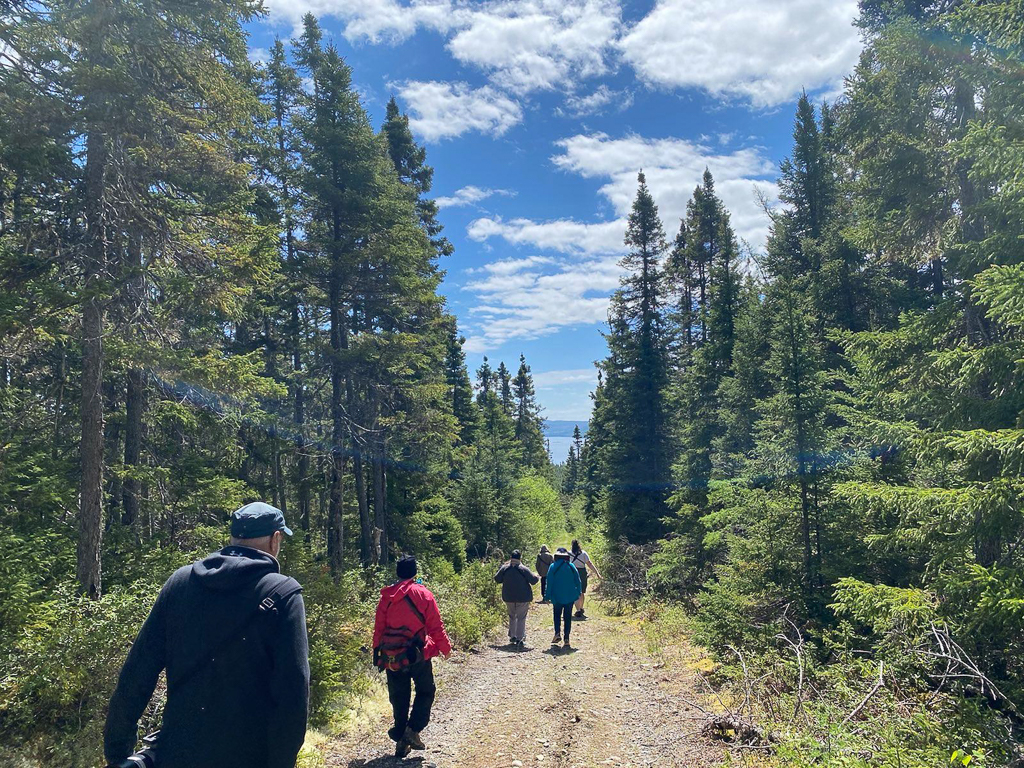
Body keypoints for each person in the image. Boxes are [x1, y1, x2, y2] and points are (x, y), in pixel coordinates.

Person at [104, 502, 310, 768]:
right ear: (275, 539)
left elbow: (137, 673)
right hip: (249, 756)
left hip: (178, 753)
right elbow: (293, 694)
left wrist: (118, 753)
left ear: (233, 537)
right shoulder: (283, 594)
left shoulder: (180, 582)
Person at [373, 555, 452, 758]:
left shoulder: (386, 596)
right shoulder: (423, 594)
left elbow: (379, 628)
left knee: (399, 698)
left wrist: (377, 651)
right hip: (418, 654)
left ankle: (400, 734)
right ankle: (412, 730)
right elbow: (436, 627)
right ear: (415, 572)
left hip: (392, 656)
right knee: (426, 691)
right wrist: (445, 649)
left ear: (398, 573)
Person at [494, 549, 539, 647]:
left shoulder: (505, 568)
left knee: (512, 616)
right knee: (521, 618)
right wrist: (537, 576)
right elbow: (534, 580)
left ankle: (513, 636)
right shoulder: (523, 569)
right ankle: (520, 638)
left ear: (511, 558)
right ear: (520, 558)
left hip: (508, 597)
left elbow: (497, 579)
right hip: (523, 597)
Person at [544, 547, 582, 650]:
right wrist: (578, 592)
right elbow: (578, 581)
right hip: (570, 596)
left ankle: (557, 633)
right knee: (567, 617)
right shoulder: (571, 566)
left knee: (557, 615)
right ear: (566, 557)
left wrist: (547, 596)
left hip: (556, 597)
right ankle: (567, 639)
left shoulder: (552, 566)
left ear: (556, 556)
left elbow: (549, 582)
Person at [570, 539, 602, 618]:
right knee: (582, 591)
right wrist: (597, 573)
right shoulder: (584, 553)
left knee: (574, 591)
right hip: (582, 573)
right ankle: (581, 608)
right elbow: (589, 564)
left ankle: (578, 609)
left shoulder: (569, 554)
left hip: (572, 572)